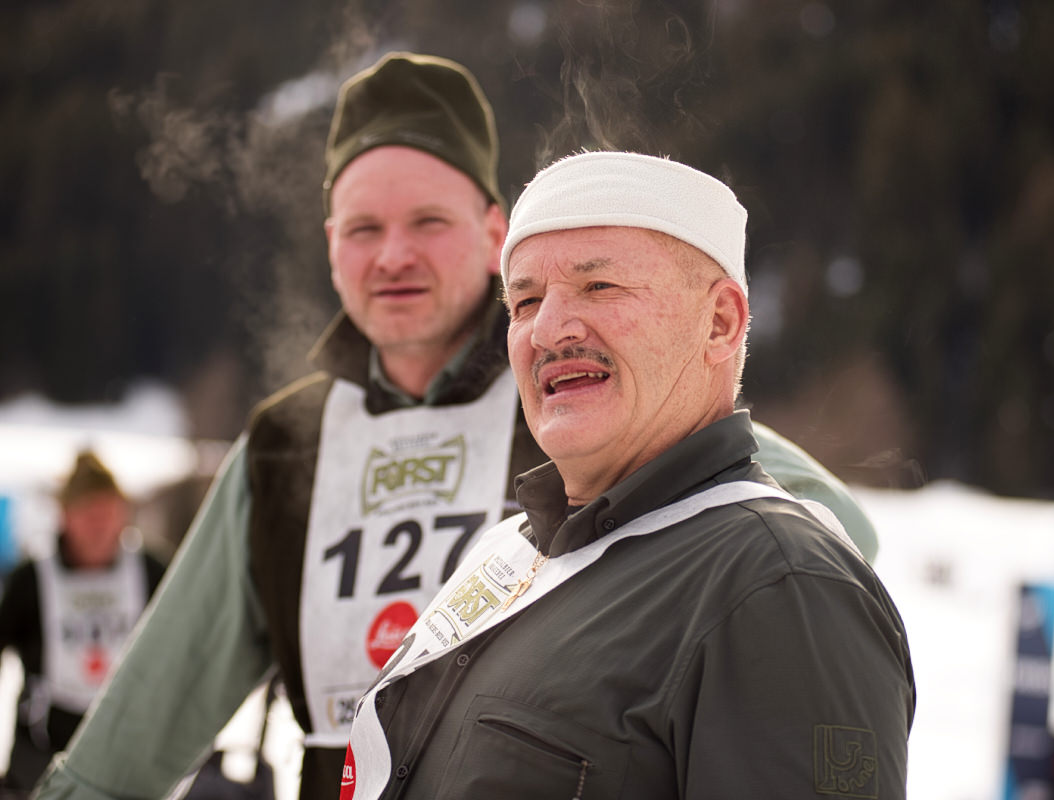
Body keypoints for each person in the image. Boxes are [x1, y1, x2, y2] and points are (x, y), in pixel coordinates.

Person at [36, 55, 877, 800]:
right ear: (331, 246)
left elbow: (800, 536)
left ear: (490, 233)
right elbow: (143, 722)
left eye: (428, 222)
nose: (393, 255)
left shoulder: (573, 401)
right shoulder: (289, 445)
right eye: (364, 229)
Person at [343, 151, 915, 800]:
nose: (548, 330)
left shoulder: (778, 586)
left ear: (720, 322)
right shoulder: (508, 550)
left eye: (599, 287)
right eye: (525, 301)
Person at [0, 451, 165, 797]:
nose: (99, 526)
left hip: (129, 746)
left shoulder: (152, 572)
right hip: (43, 747)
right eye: (88, 513)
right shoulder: (31, 579)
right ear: (64, 515)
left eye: (107, 513)